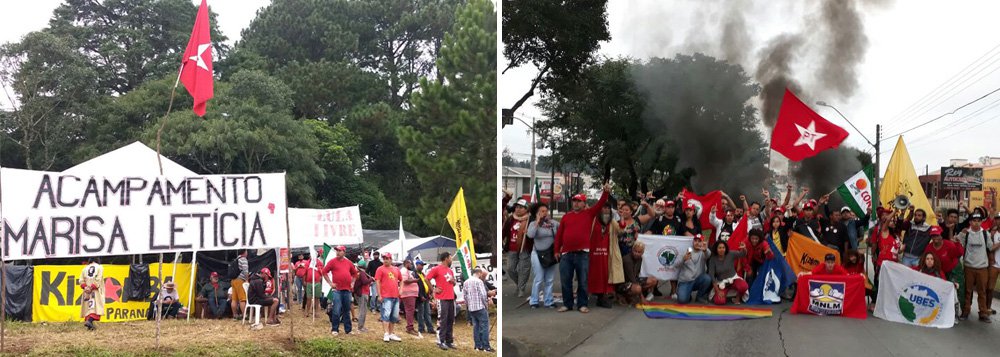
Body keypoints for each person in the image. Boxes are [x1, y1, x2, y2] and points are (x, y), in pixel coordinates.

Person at [554, 183, 611, 313]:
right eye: (574, 201)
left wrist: (606, 192)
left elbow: (600, 203)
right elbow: (559, 235)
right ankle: (567, 304)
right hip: (566, 254)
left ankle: (582, 304)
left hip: (583, 254)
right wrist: (556, 250)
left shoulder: (589, 214)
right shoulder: (566, 217)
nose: (576, 203)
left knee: (583, 281)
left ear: (584, 203)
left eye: (579, 201)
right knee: (565, 281)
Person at [957, 212, 992, 323]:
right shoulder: (966, 233)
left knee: (982, 292)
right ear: (970, 222)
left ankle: (983, 313)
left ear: (981, 222)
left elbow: (990, 247)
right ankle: (965, 311)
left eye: (978, 221)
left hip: (982, 268)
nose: (976, 223)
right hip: (969, 267)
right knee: (968, 291)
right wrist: (959, 233)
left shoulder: (986, 234)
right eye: (974, 221)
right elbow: (956, 242)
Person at [589, 202, 624, 309]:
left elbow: (621, 231)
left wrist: (621, 217)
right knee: (594, 275)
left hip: (608, 254)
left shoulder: (612, 221)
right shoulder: (594, 220)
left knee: (606, 275)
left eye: (608, 208)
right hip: (594, 254)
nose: (606, 210)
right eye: (604, 208)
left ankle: (602, 296)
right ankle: (594, 294)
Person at [527, 202, 559, 308]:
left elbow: (561, 234)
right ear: (537, 213)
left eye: (546, 211)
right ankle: (534, 301)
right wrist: (537, 222)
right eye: (542, 211)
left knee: (549, 279)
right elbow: (530, 235)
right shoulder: (533, 224)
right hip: (537, 253)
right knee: (539, 278)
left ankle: (548, 300)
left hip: (551, 254)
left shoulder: (554, 223)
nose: (545, 213)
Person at [322, 245, 359, 335]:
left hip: (347, 289)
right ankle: (335, 329)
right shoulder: (332, 262)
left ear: (344, 252)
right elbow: (324, 272)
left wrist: (353, 283)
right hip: (337, 290)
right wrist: (330, 283)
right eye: (336, 250)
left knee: (346, 310)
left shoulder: (348, 262)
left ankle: (348, 330)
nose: (337, 252)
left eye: (339, 250)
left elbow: (355, 274)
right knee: (336, 310)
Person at [426, 252, 457, 349]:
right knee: (442, 319)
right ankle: (440, 341)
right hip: (442, 298)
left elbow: (454, 283)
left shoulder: (450, 270)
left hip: (451, 297)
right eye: (450, 257)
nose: (451, 259)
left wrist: (453, 281)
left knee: (450, 319)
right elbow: (427, 279)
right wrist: (433, 289)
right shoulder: (436, 269)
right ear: (446, 258)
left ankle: (449, 341)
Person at [503, 198, 532, 297]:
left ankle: (521, 289)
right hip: (512, 248)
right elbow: (504, 232)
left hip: (525, 248)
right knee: (510, 269)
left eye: (521, 207)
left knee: (523, 270)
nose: (518, 209)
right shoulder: (511, 219)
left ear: (526, 209)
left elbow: (534, 234)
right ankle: (519, 284)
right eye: (517, 207)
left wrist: (528, 233)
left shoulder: (530, 220)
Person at [617, 241, 658, 305]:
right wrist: (642, 298)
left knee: (654, 280)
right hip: (623, 283)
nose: (636, 253)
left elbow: (637, 275)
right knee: (638, 288)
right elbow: (632, 279)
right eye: (635, 251)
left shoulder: (640, 259)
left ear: (642, 253)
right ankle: (624, 295)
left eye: (639, 252)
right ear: (632, 250)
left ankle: (634, 295)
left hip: (633, 280)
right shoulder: (627, 260)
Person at [708, 240, 748, 305]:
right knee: (719, 301)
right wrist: (718, 291)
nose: (722, 250)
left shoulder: (731, 254)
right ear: (716, 249)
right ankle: (725, 297)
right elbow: (712, 276)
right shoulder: (713, 259)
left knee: (744, 286)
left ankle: (737, 297)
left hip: (733, 279)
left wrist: (744, 248)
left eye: (723, 247)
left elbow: (743, 254)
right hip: (722, 283)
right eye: (719, 248)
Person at [463, 267, 494, 352]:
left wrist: (468, 305)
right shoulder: (479, 282)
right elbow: (483, 295)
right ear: (479, 273)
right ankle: (486, 347)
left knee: (476, 327)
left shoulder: (466, 282)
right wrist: (486, 304)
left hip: (471, 308)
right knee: (484, 327)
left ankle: (477, 346)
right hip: (480, 307)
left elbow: (465, 296)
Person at [374, 253, 403, 342]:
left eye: (387, 258)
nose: (385, 260)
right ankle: (386, 333)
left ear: (391, 259)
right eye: (384, 258)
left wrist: (401, 290)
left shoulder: (396, 269)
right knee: (386, 315)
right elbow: (377, 282)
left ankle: (391, 333)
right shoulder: (380, 269)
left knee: (394, 316)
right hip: (386, 296)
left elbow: (401, 280)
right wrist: (379, 295)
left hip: (395, 296)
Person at [677, 236, 711, 304]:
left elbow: (708, 254)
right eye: (695, 241)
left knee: (707, 278)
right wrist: (683, 259)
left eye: (699, 241)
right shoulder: (686, 251)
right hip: (685, 281)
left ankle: (699, 297)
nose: (697, 243)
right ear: (693, 242)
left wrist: (705, 250)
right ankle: (687, 295)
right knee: (682, 300)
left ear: (702, 243)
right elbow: (676, 265)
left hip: (697, 280)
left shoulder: (703, 251)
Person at [77, 257, 104, 330]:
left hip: (86, 291)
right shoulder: (99, 267)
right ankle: (90, 321)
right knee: (96, 307)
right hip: (95, 291)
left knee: (88, 306)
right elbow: (98, 279)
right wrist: (92, 287)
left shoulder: (85, 268)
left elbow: (81, 281)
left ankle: (90, 325)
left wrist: (86, 287)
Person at [413, 259, 435, 334]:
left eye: (423, 265)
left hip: (426, 296)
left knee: (427, 313)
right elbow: (416, 286)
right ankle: (421, 328)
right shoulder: (414, 274)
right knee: (421, 313)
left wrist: (429, 292)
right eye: (421, 265)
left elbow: (426, 283)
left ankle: (430, 328)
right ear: (417, 265)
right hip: (420, 297)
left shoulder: (422, 274)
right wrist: (420, 295)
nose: (422, 267)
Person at [399, 259, 421, 336]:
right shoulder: (404, 270)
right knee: (409, 310)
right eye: (410, 264)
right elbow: (405, 281)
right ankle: (409, 327)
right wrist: (415, 281)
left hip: (411, 293)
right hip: (408, 294)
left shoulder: (407, 271)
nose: (411, 265)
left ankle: (410, 327)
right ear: (407, 263)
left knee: (411, 310)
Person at [302, 248, 324, 318]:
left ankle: (316, 312)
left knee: (317, 298)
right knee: (308, 297)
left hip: (317, 282)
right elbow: (304, 273)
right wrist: (304, 281)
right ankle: (308, 311)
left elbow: (322, 272)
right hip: (309, 282)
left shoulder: (319, 263)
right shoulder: (307, 263)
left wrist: (318, 268)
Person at [353, 260, 373, 333]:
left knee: (362, 310)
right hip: (362, 293)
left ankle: (361, 326)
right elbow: (365, 282)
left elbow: (363, 282)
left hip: (359, 293)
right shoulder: (362, 273)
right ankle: (360, 327)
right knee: (362, 310)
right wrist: (371, 279)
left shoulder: (358, 273)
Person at [230, 249, 250, 320]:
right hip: (240, 280)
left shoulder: (236, 259)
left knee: (234, 299)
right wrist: (247, 280)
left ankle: (235, 315)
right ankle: (244, 315)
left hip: (233, 280)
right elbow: (245, 271)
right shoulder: (243, 259)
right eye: (246, 251)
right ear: (244, 252)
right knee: (242, 299)